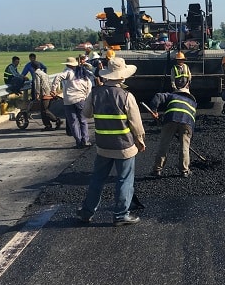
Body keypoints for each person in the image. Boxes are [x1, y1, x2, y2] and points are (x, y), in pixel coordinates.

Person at [76, 57, 145, 226]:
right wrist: (140, 140)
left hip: (103, 146)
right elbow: (136, 124)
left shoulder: (95, 93)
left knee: (97, 179)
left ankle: (87, 212)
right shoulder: (126, 96)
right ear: (122, 77)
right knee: (124, 180)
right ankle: (121, 215)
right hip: (124, 146)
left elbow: (86, 114)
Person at [148, 85, 197, 177]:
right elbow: (192, 121)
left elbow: (158, 96)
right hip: (187, 123)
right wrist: (188, 136)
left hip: (170, 120)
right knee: (185, 147)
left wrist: (154, 110)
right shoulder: (193, 103)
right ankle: (184, 171)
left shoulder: (172, 96)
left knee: (164, 145)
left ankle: (157, 170)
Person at [51, 57, 93, 149]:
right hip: (81, 100)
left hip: (69, 100)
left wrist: (53, 89)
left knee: (73, 122)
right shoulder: (84, 76)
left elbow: (58, 77)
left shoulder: (68, 72)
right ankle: (85, 140)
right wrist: (87, 98)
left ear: (67, 65)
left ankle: (78, 142)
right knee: (83, 121)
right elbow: (89, 88)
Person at [32, 61, 60, 131]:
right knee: (43, 111)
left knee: (45, 110)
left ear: (33, 68)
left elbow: (37, 84)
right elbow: (50, 83)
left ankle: (56, 120)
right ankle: (47, 125)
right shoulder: (44, 73)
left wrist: (37, 93)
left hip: (44, 94)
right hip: (49, 93)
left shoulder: (36, 74)